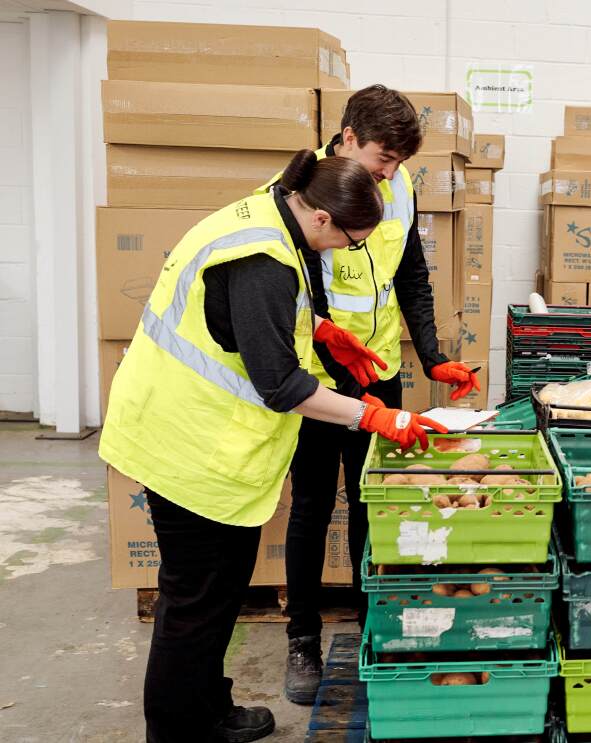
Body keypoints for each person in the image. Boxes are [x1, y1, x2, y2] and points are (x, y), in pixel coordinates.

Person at [99, 151, 447, 743]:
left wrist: (323, 332)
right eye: (350, 242)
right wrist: (372, 415)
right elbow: (281, 384)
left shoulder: (278, 216)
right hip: (184, 443)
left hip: (213, 446)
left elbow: (259, 321)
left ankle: (209, 709)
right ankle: (178, 732)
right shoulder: (261, 259)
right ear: (322, 219)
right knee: (193, 603)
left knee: (224, 588)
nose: (345, 252)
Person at [254, 85, 479, 704]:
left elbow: (411, 274)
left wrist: (432, 356)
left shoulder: (398, 186)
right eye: (384, 158)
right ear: (348, 137)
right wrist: (349, 387)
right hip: (315, 378)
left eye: (399, 162)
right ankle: (302, 637)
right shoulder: (299, 196)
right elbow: (300, 302)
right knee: (312, 504)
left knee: (370, 499)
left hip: (377, 367)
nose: (390, 173)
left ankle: (368, 619)